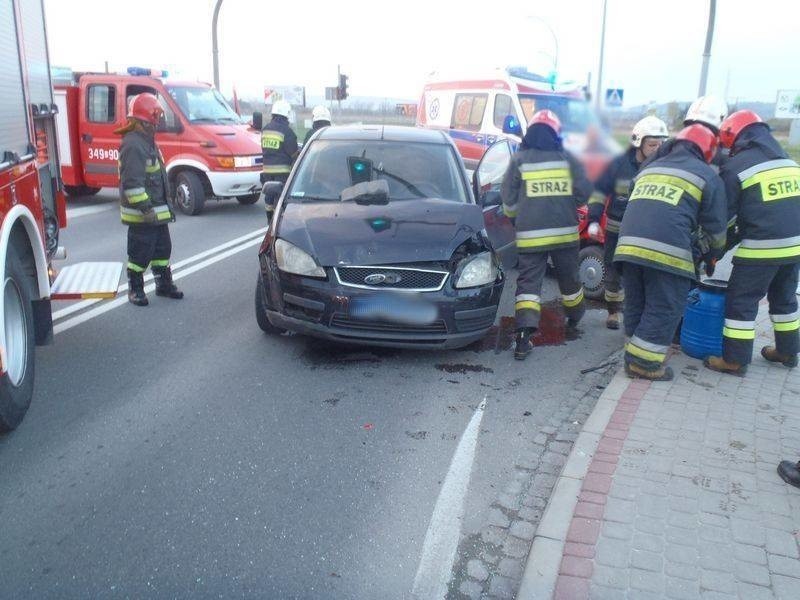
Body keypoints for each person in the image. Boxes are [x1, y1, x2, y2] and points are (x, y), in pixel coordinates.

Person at [613, 124, 727, 380]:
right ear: (707, 151)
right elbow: (716, 229)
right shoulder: (706, 176)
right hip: (668, 252)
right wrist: (712, 255)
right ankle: (644, 365)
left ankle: (633, 357)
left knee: (636, 303)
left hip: (627, 247)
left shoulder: (650, 168)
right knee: (665, 306)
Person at [704, 110, 800, 375]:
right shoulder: (789, 163)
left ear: (733, 137)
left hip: (761, 250)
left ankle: (734, 361)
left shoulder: (737, 167)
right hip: (795, 247)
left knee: (741, 302)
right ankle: (787, 351)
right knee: (784, 299)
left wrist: (713, 252)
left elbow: (723, 220)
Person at [500, 110, 593, 361]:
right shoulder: (569, 159)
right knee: (570, 280)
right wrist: (567, 203)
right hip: (564, 234)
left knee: (529, 284)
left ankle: (523, 337)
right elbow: (584, 192)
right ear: (556, 133)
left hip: (530, 235)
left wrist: (517, 219)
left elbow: (508, 200)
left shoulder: (519, 160)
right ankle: (575, 317)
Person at [587, 116, 668, 329]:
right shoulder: (619, 164)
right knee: (613, 273)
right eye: (652, 144)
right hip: (618, 230)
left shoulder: (664, 166)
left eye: (661, 144)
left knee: (640, 275)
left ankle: (638, 314)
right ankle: (613, 312)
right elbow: (599, 191)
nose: (657, 148)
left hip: (647, 231)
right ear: (638, 142)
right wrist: (593, 219)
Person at [116, 93, 182, 307]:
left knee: (162, 250)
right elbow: (132, 184)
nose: (157, 122)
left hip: (157, 212)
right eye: (154, 118)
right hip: (143, 215)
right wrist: (146, 209)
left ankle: (163, 284)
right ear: (143, 121)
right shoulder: (134, 145)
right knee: (139, 254)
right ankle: (135, 290)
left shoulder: (147, 141)